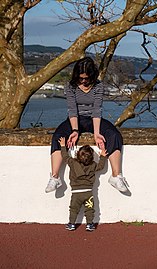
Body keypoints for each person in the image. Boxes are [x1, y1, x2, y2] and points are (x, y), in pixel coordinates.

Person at [45, 56, 128, 194]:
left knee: (113, 134)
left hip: (93, 119)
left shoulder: (98, 86)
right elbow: (72, 109)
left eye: (86, 78)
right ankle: (55, 177)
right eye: (80, 78)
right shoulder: (70, 86)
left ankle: (116, 176)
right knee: (58, 135)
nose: (83, 81)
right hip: (75, 119)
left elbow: (97, 110)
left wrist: (97, 134)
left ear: (92, 76)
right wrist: (75, 130)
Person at [59, 137, 107, 231]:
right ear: (92, 157)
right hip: (88, 192)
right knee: (89, 209)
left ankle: (71, 224)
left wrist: (63, 146)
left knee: (73, 209)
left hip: (76, 192)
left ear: (77, 154)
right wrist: (102, 155)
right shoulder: (93, 165)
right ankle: (90, 224)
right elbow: (101, 166)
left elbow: (64, 156)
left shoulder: (72, 162)